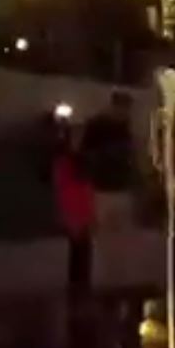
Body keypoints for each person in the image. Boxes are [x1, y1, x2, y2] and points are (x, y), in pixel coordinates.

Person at [53, 125, 96, 298]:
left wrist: (90, 215)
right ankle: (75, 292)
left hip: (82, 214)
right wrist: (68, 217)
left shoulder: (84, 162)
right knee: (74, 257)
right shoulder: (63, 163)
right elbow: (63, 190)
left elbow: (87, 190)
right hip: (73, 214)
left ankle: (81, 291)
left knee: (84, 256)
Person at [82, 91, 134, 191]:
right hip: (102, 174)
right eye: (122, 106)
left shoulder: (123, 125)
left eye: (127, 107)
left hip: (116, 176)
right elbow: (87, 148)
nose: (125, 110)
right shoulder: (100, 123)